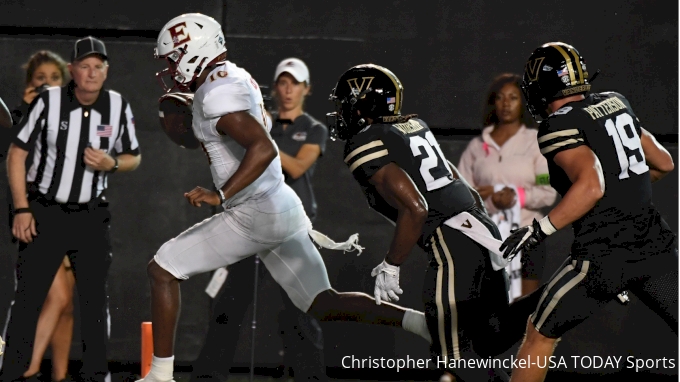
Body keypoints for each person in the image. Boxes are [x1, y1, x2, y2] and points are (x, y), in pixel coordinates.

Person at [142, 13, 431, 382]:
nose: (170, 66)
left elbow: (263, 148)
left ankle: (160, 375)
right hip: (283, 207)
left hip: (252, 214)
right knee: (322, 303)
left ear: (193, 51)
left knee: (163, 269)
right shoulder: (231, 75)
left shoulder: (214, 96)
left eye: (173, 56)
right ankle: (419, 323)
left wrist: (220, 194)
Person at [328, 63, 548, 382]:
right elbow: (463, 185)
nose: (344, 110)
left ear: (366, 104)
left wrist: (392, 264)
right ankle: (561, 289)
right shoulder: (412, 124)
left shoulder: (366, 141)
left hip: (453, 244)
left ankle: (569, 289)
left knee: (455, 357)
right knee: (490, 337)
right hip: (482, 228)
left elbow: (416, 207)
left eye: (348, 102)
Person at [500, 42, 677, 382]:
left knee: (539, 334)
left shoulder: (556, 125)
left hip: (602, 259)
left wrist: (540, 230)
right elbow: (663, 163)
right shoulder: (616, 102)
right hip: (655, 246)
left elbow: (591, 187)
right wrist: (624, 198)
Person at [0, 36, 141, 382]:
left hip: (91, 215)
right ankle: (12, 372)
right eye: (85, 66)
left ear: (106, 71)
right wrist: (21, 209)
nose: (91, 73)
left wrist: (111, 163)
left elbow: (134, 157)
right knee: (28, 299)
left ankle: (96, 375)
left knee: (94, 300)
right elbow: (16, 154)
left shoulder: (118, 106)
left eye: (98, 66)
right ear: (73, 70)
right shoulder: (48, 101)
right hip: (46, 211)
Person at [190, 58, 328, 381]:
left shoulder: (313, 128)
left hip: (291, 228)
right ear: (275, 87)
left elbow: (296, 167)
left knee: (301, 310)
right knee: (228, 304)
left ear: (306, 89)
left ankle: (311, 377)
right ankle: (208, 376)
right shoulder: (260, 122)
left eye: (295, 83)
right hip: (252, 221)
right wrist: (257, 131)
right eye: (282, 82)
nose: (288, 89)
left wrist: (259, 138)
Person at [5, 50, 77, 382]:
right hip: (36, 215)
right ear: (29, 85)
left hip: (76, 213)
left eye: (54, 78)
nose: (47, 84)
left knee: (67, 304)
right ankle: (27, 367)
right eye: (40, 79)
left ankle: (59, 375)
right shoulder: (22, 116)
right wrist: (29, 109)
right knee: (57, 296)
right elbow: (17, 158)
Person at [458, 73, 557, 300]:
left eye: (513, 97)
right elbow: (462, 192)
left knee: (522, 311)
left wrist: (515, 196)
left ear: (522, 102)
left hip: (527, 236)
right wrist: (490, 197)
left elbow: (547, 190)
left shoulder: (535, 142)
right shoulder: (477, 146)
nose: (506, 104)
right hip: (485, 239)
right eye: (500, 98)